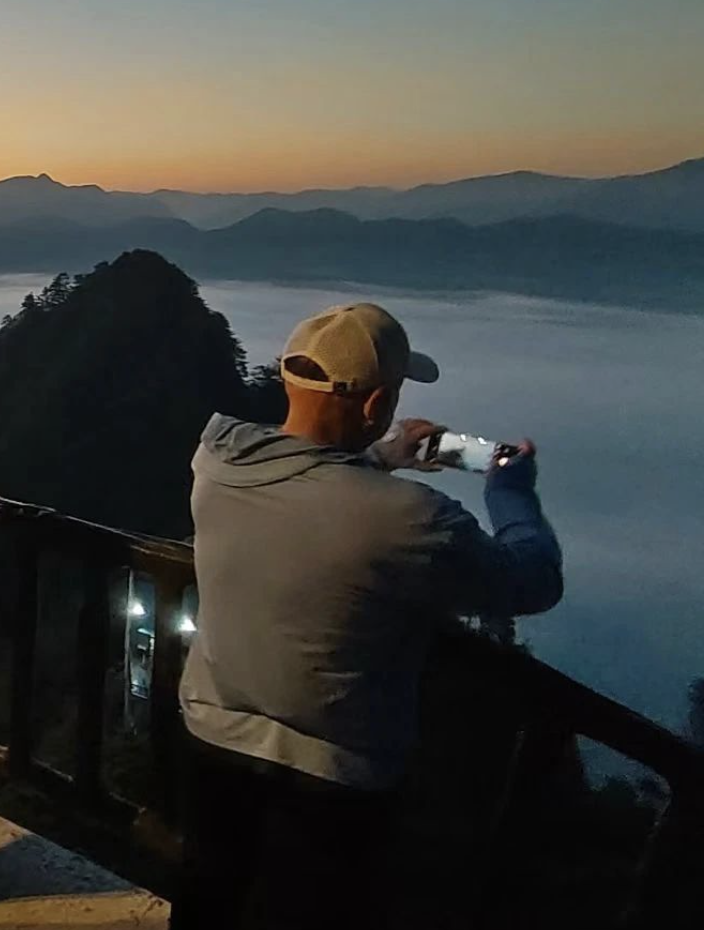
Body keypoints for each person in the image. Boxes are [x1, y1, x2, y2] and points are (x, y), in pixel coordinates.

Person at [173, 303, 564, 930]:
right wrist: (512, 493)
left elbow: (309, 487)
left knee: (209, 898)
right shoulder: (411, 519)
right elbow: (532, 581)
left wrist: (380, 457)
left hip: (213, 740)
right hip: (335, 776)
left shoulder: (216, 465)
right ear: (378, 401)